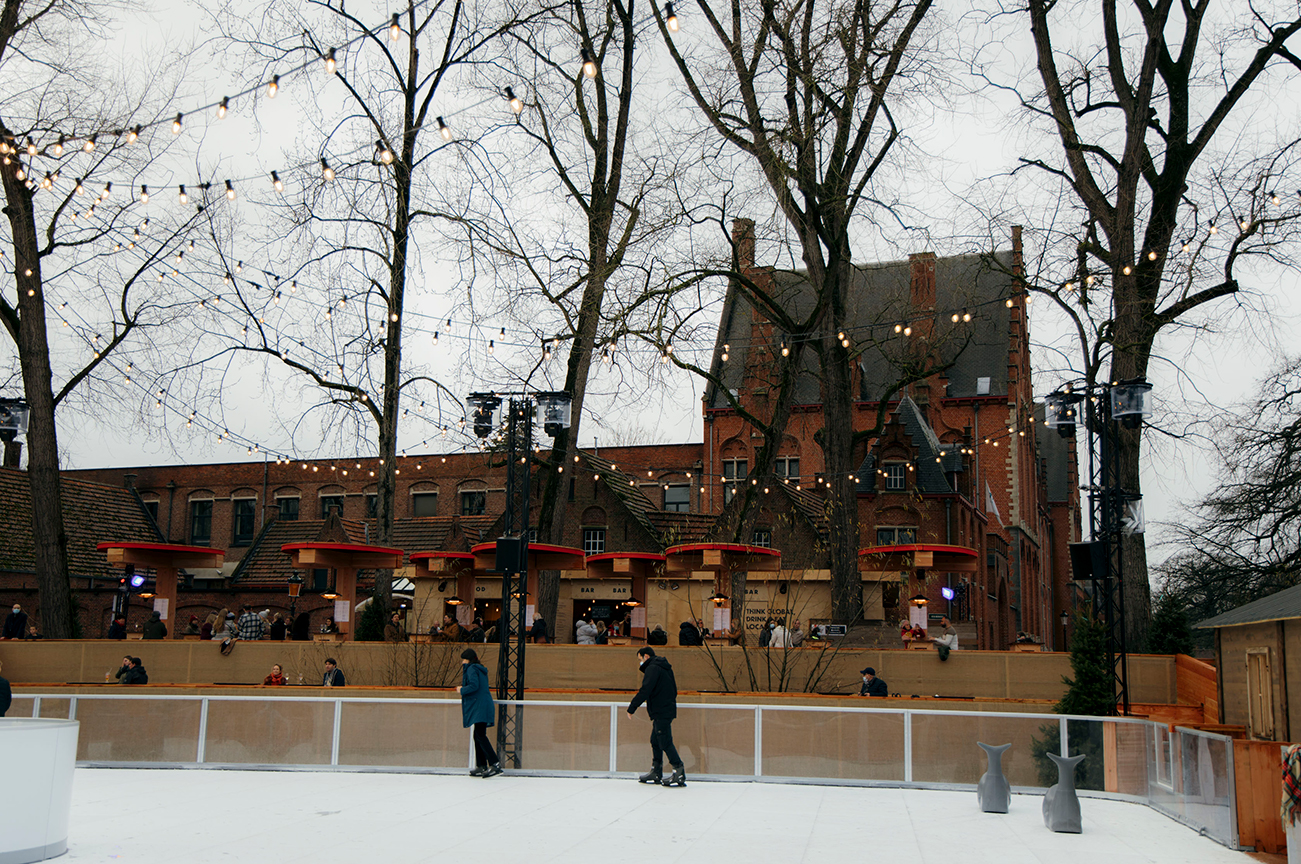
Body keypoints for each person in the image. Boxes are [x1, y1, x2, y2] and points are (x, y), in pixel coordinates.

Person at [627, 647, 685, 787]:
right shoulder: (664, 667)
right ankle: (656, 771)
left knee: (664, 740)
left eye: (640, 659)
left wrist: (632, 707)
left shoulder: (653, 668)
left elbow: (646, 689)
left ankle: (679, 770)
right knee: (655, 740)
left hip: (662, 710)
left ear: (646, 656)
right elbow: (673, 689)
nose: (640, 663)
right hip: (665, 709)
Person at [458, 648, 501, 777]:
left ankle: (495, 764)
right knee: (478, 735)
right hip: (483, 705)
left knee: (480, 735)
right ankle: (481, 765)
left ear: (469, 660)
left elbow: (473, 686)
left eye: (464, 659)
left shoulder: (471, 669)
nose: (462, 662)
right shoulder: (479, 669)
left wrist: (461, 689)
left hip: (480, 706)